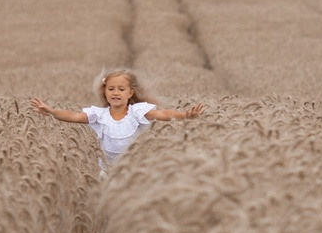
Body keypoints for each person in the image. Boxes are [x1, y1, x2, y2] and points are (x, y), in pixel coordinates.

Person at [30, 68, 204, 169]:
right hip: (107, 169)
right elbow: (75, 116)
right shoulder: (100, 115)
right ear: (105, 93)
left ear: (130, 93)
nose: (116, 93)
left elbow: (162, 114)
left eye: (121, 89)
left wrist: (185, 115)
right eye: (111, 89)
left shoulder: (137, 112)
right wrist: (52, 111)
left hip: (133, 168)